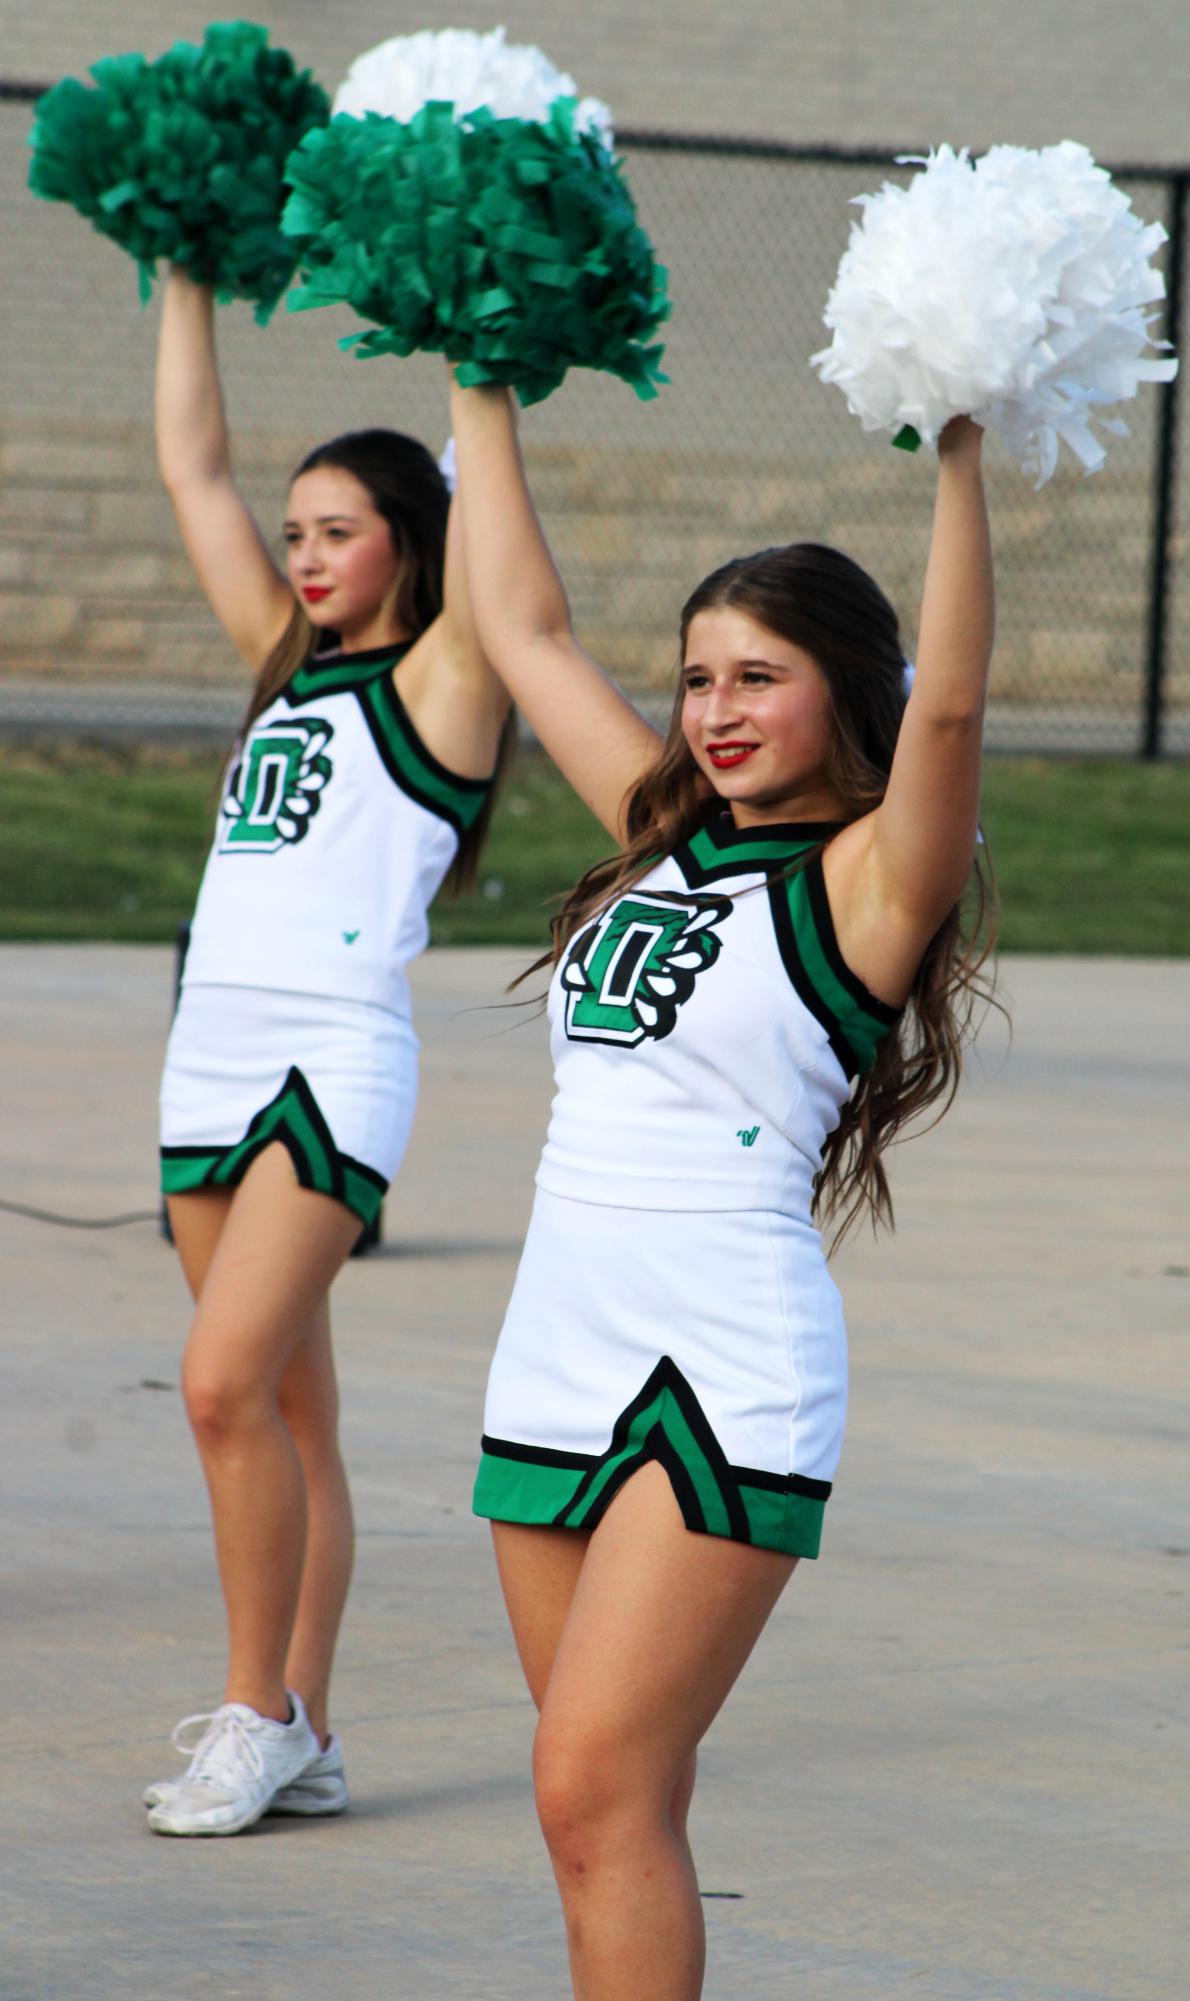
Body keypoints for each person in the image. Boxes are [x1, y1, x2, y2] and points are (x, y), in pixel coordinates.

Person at [448, 371, 996, 1999]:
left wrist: (961, 445)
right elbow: (526, 628)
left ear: (846, 690)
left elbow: (955, 711)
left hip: (719, 1361)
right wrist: (477, 376)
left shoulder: (877, 874)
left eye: (759, 675)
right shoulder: (657, 832)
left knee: (587, 1784)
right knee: (600, 1803)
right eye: (695, 677)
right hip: (554, 1344)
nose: (714, 708)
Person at [142, 271, 512, 1837]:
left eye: (337, 529)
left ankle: (255, 1712)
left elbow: (498, 549)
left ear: (408, 546)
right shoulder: (281, 663)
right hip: (205, 1061)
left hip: (324, 1068)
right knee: (292, 1419)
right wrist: (179, 275)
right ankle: (313, 1733)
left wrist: (480, 356)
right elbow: (191, 468)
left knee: (221, 1389)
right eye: (296, 533)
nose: (301, 554)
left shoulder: (447, 678)